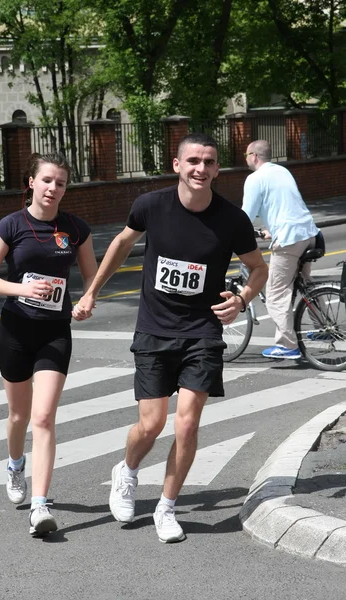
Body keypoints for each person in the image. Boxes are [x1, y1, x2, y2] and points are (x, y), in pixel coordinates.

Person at [73, 133, 268, 543]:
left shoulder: (232, 219)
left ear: (217, 169)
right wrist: (91, 291)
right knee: (151, 423)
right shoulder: (151, 206)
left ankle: (167, 506)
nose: (201, 168)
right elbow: (123, 243)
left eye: (209, 162)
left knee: (187, 424)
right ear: (177, 165)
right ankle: (126, 473)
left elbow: (257, 268)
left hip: (202, 333)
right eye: (193, 160)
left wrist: (242, 298)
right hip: (154, 328)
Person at [0, 152, 97, 537]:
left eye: (60, 183)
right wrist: (22, 288)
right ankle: (15, 464)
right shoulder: (11, 225)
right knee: (19, 416)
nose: (53, 188)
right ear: (32, 182)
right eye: (47, 180)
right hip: (15, 329)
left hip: (54, 332)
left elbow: (90, 280)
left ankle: (41, 505)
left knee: (44, 417)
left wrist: (84, 302)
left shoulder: (75, 228)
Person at [242, 140, 320, 359]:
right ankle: (322, 326)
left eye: (246, 154)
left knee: (276, 293)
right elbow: (285, 206)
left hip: (289, 239)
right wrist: (271, 230)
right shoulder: (282, 171)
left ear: (254, 156)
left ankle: (287, 345)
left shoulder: (254, 178)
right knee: (305, 283)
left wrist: (230, 235)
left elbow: (245, 216)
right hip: (309, 233)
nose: (245, 158)